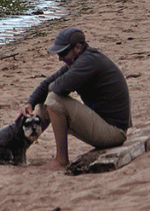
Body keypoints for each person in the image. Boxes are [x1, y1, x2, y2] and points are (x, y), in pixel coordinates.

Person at [20, 26, 131, 170]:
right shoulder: (79, 60)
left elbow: (57, 87)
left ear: (78, 48)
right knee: (43, 105)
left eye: (63, 52)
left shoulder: (88, 62)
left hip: (114, 133)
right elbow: (47, 83)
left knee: (53, 100)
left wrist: (51, 88)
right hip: (104, 125)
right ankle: (19, 152)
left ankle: (61, 160)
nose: (59, 57)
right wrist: (30, 103)